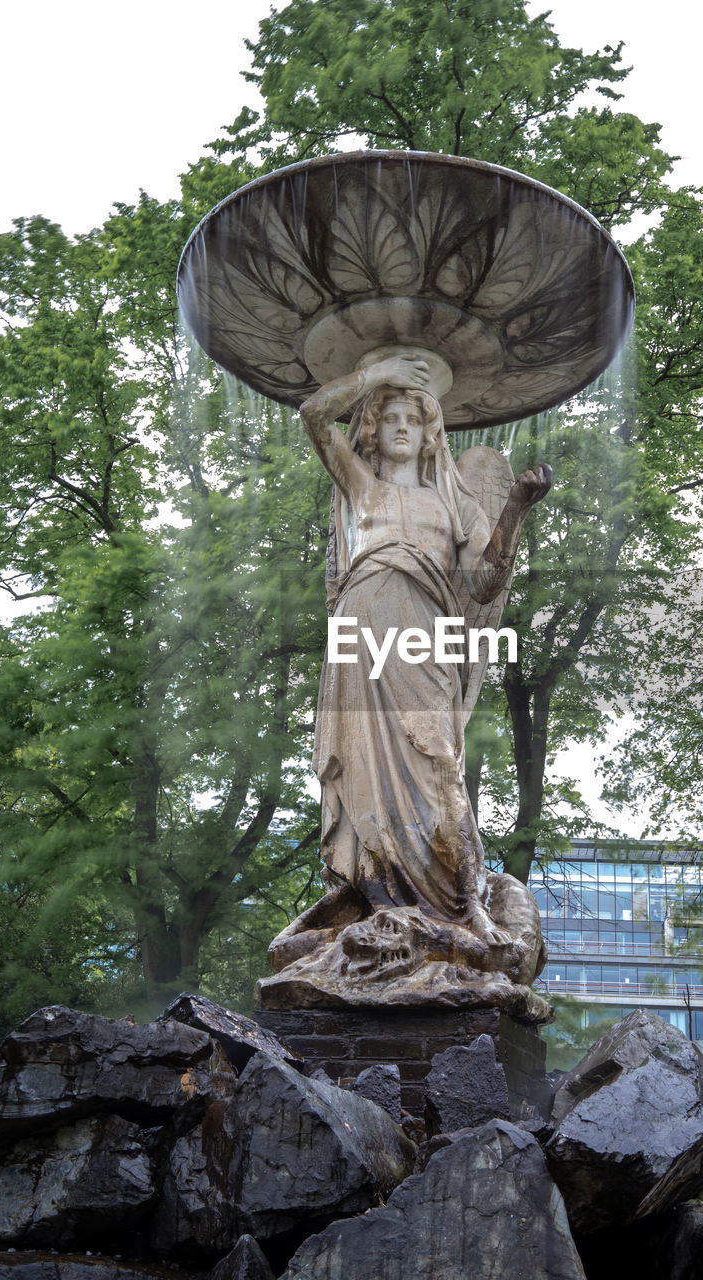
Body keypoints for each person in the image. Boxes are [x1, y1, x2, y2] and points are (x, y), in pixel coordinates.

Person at [273, 351, 552, 968]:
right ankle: (373, 899)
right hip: (356, 632)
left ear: (432, 434)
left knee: (440, 766)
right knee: (366, 769)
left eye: (413, 418)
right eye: (390, 416)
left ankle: (463, 902)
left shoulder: (453, 504)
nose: (402, 426)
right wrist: (374, 375)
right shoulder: (360, 486)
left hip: (419, 631)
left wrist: (517, 509)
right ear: (374, 425)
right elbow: (315, 416)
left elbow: (484, 584)